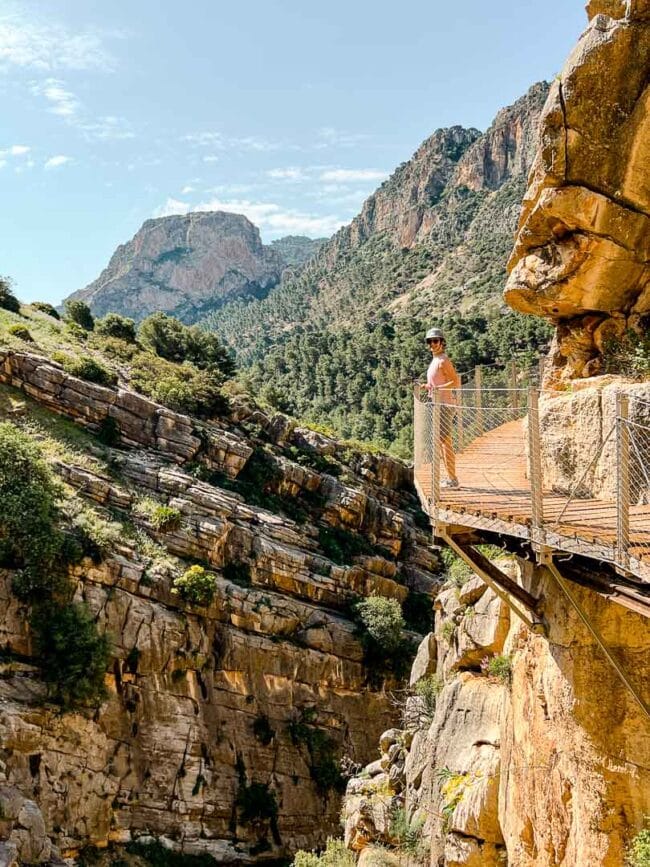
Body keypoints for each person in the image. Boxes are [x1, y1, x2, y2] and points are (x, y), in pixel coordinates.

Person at [425, 327, 460, 488]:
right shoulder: (435, 360)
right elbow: (437, 383)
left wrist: (439, 389)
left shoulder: (443, 360)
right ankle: (450, 478)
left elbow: (455, 381)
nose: (433, 344)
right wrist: (429, 386)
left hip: (444, 405)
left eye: (435, 341)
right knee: (443, 441)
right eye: (430, 341)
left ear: (442, 342)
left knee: (445, 442)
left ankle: (452, 479)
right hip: (437, 404)